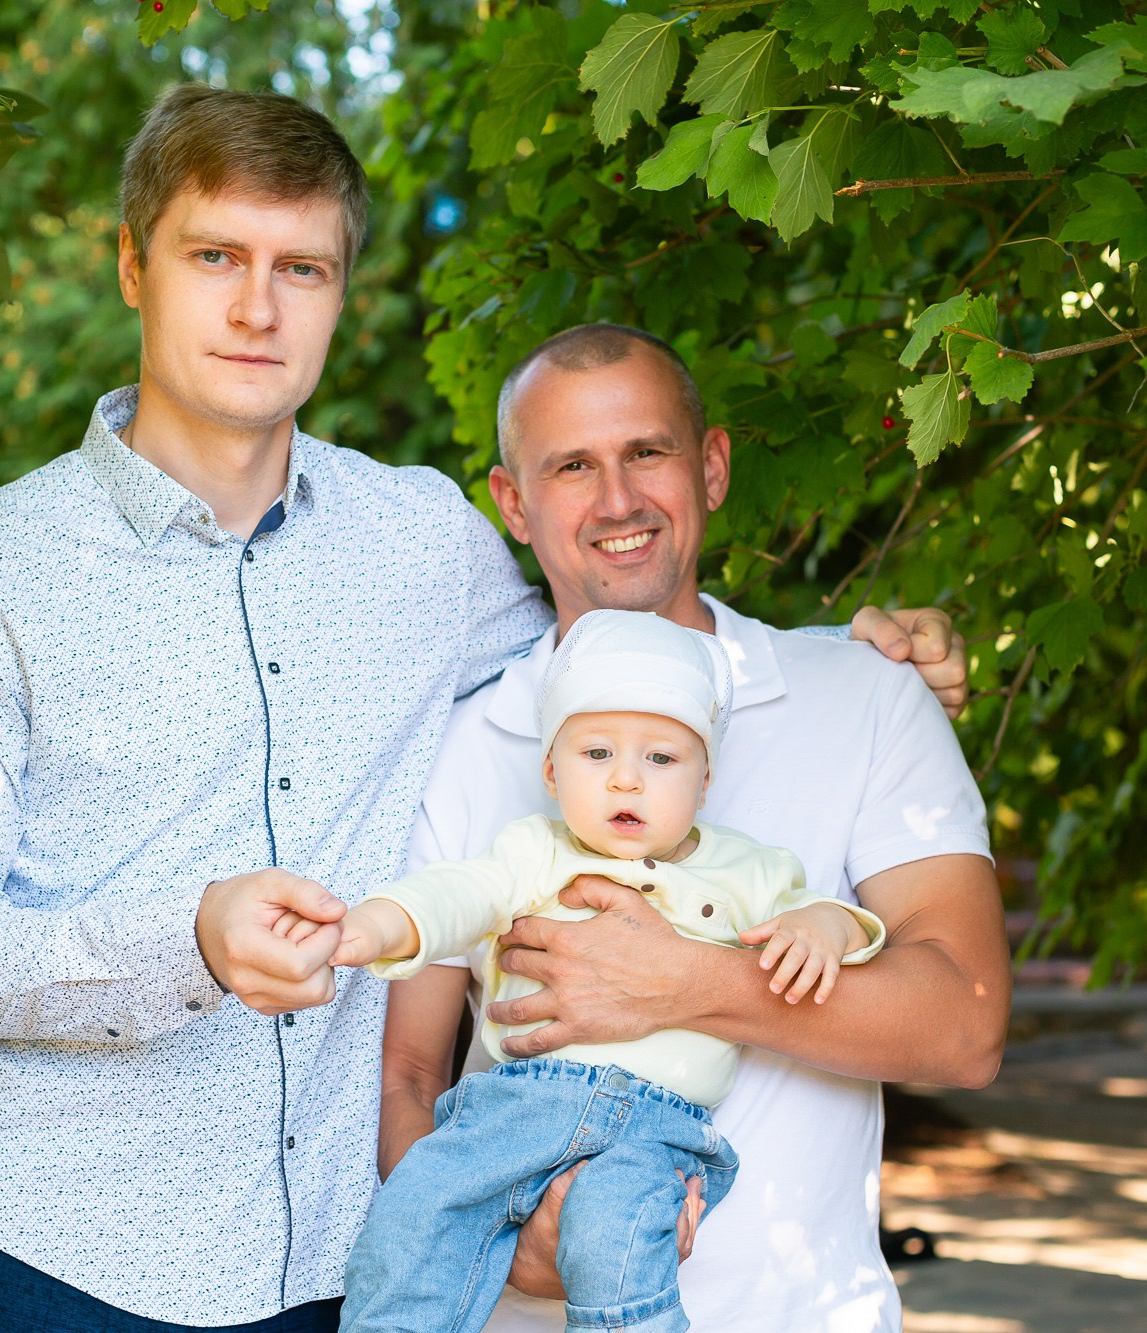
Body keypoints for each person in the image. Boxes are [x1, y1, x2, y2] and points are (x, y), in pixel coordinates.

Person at [0, 86, 966, 1331]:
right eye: (213, 255)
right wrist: (187, 941)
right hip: (52, 1261)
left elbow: (616, 629)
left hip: (355, 1269)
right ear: (132, 265)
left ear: (342, 291)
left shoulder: (422, 539)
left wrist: (854, 651)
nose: (255, 307)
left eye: (302, 267)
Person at [378, 323, 1009, 1333]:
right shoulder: (468, 741)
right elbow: (408, 1075)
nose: (617, 500)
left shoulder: (863, 694)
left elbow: (966, 1026)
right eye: (571, 465)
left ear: (710, 467)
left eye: (647, 453)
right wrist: (510, 1239)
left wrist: (688, 982)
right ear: (512, 503)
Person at [332, 610, 886, 1333]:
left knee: (613, 1238)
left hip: (656, 1127)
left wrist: (825, 926)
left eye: (661, 759)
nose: (627, 778)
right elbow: (461, 892)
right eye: (597, 753)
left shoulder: (751, 868)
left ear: (706, 778)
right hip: (516, 1108)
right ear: (552, 772)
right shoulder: (534, 851)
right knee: (418, 1205)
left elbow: (835, 919)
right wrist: (383, 921)